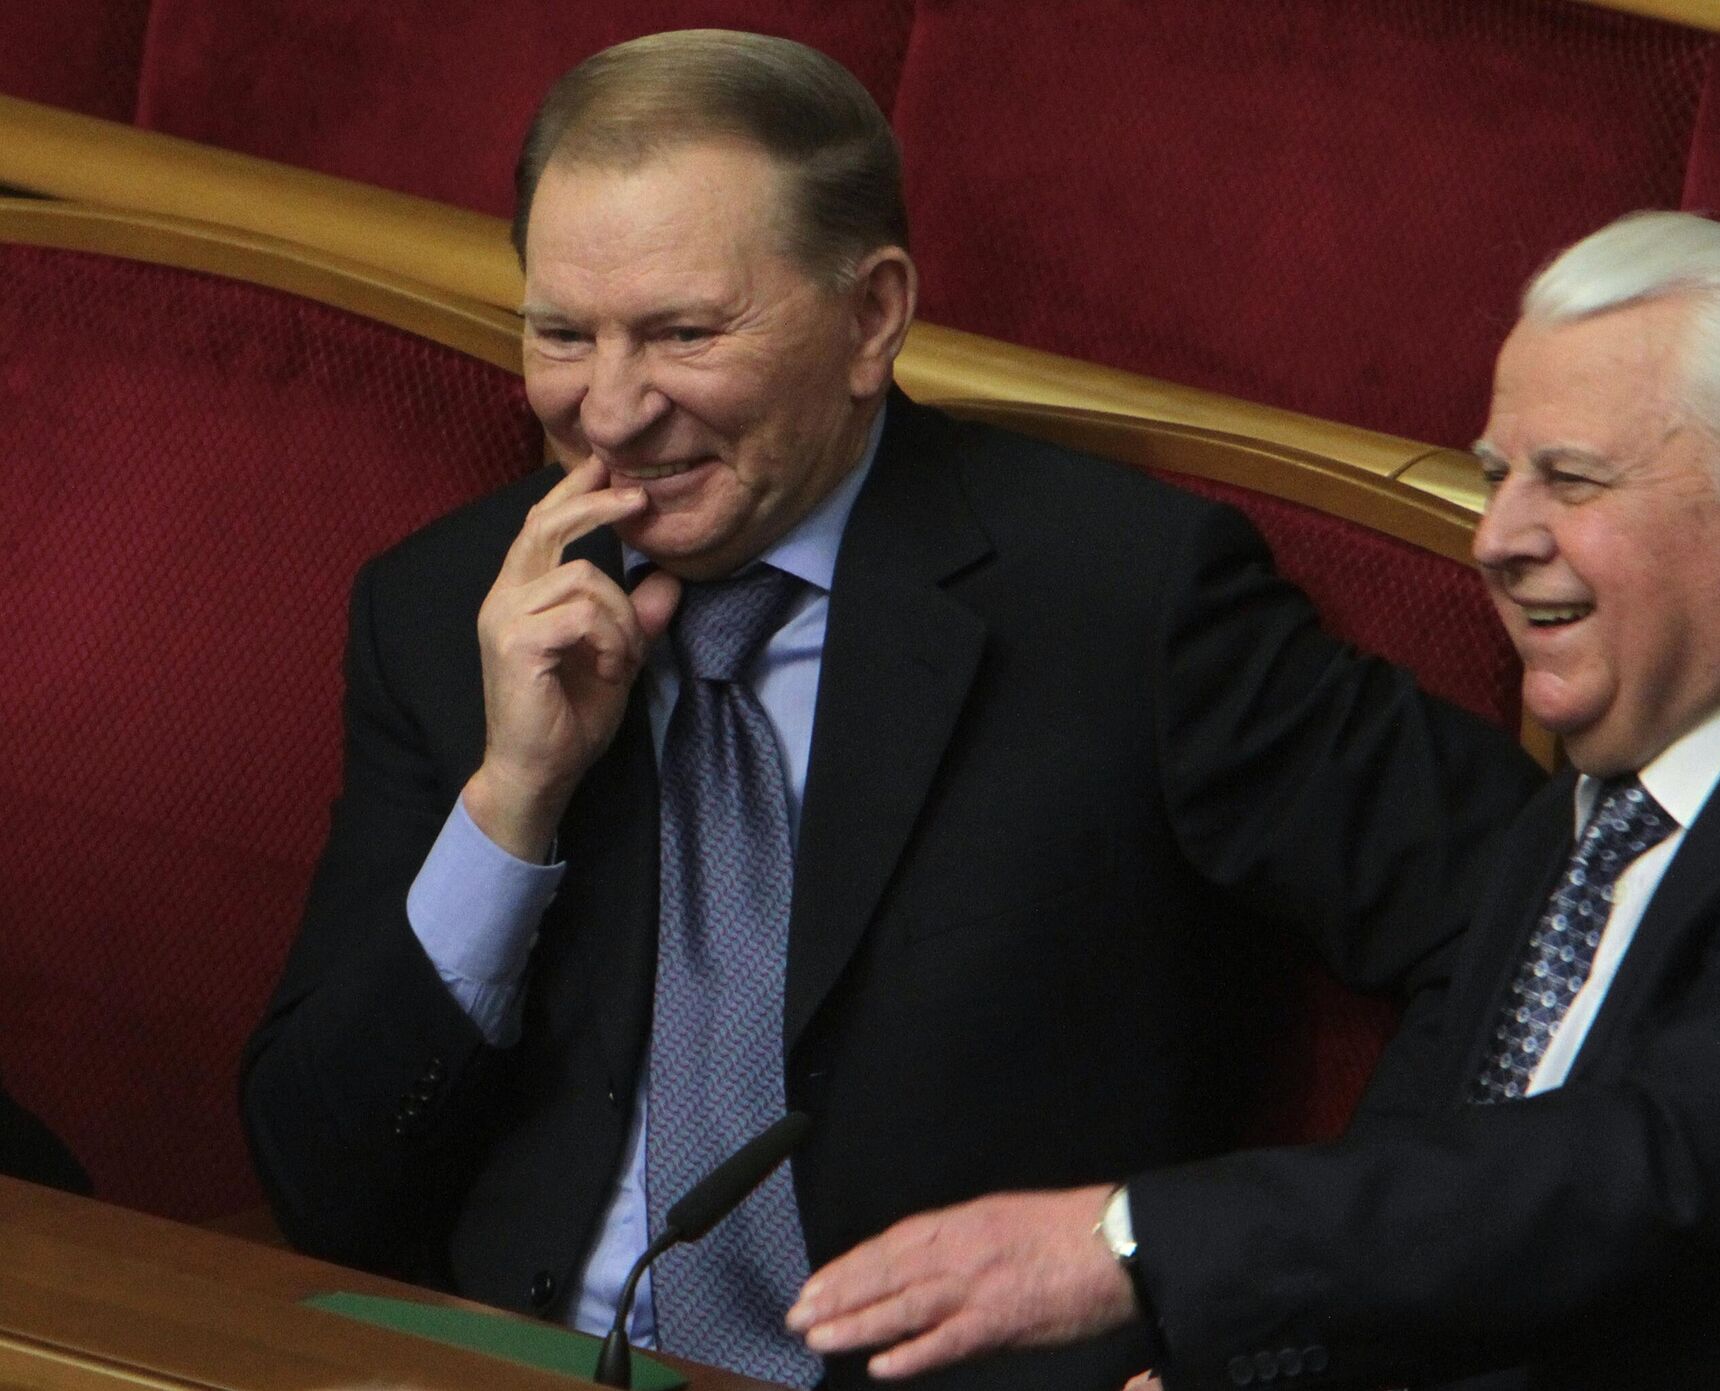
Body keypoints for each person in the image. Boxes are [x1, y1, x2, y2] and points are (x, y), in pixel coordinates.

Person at [241, 29, 1539, 1390]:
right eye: (562, 332)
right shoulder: (456, 606)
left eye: (685, 331)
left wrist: (1264, 1319)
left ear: (871, 318)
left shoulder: (1126, 600)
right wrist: (512, 801)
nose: (608, 410)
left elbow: (1538, 920)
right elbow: (323, 1182)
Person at [787, 211, 1720, 1390]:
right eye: (1496, 476)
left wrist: (1132, 1239)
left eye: (1568, 480)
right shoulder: (1612, 787)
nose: (1496, 537)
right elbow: (1434, 1182)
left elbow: (1646, 1170)